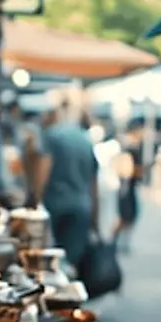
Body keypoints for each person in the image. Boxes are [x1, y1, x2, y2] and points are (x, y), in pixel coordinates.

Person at [33, 99, 100, 267]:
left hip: (55, 205)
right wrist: (95, 219)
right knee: (71, 261)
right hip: (81, 207)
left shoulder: (51, 135)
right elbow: (94, 184)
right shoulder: (86, 140)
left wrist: (35, 200)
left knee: (50, 259)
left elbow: (43, 170)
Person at [112, 127, 144, 252]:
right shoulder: (130, 150)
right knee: (124, 217)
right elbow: (127, 171)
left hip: (128, 189)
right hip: (126, 189)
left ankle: (120, 243)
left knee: (128, 218)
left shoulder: (130, 150)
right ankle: (114, 241)